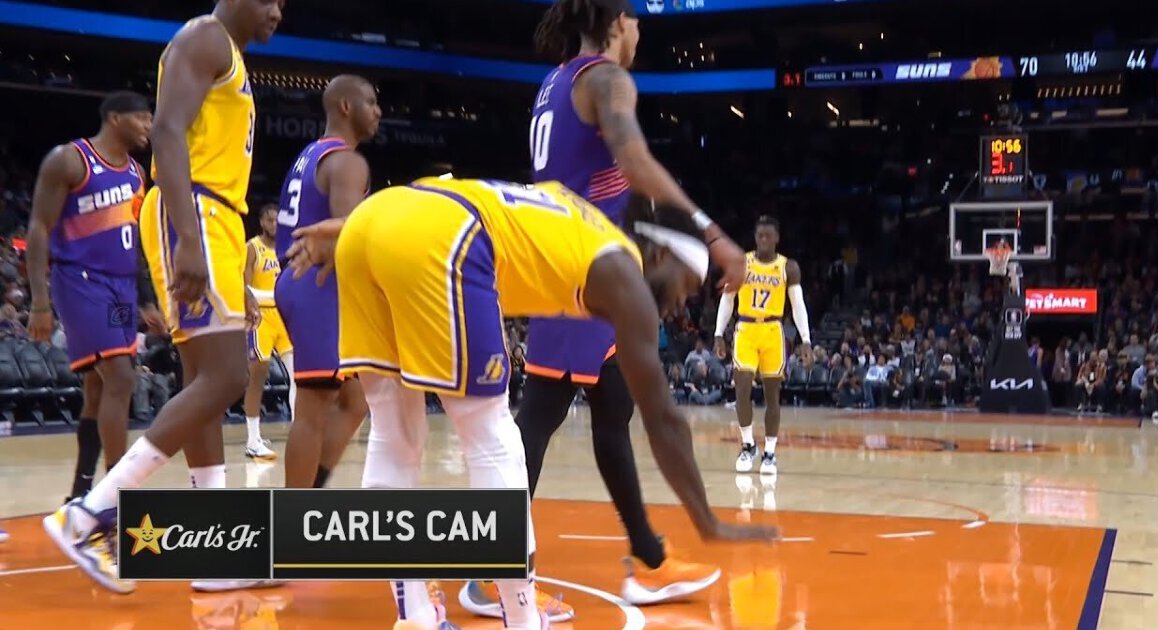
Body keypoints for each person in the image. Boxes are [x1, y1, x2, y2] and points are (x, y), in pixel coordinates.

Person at [284, 177, 780, 630]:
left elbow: (468, 197)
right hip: (445, 239)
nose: (680, 304)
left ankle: (414, 616)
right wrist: (707, 520)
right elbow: (663, 419)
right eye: (685, 286)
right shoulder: (623, 270)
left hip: (373, 223)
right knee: (492, 437)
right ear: (659, 253)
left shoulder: (573, 216)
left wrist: (360, 227)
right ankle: (521, 618)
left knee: (394, 433)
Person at [458, 0, 749, 619]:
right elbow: (635, 163)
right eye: (637, 19)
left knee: (612, 407)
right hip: (572, 262)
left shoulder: (556, 81)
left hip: (574, 257)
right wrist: (711, 232)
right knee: (538, 417)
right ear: (618, 22)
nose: (640, 30)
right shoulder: (605, 77)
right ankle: (488, 571)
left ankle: (649, 558)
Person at [43, 0, 285, 595]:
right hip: (195, 210)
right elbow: (169, 133)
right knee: (227, 376)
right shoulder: (206, 37)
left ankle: (214, 552)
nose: (278, 11)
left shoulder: (225, 52)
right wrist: (191, 240)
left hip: (210, 217)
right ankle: (91, 513)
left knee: (205, 382)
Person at [24, 91, 165, 505]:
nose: (149, 127)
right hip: (80, 281)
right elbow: (38, 228)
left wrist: (146, 300)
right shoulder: (69, 160)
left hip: (121, 287)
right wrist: (39, 301)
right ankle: (115, 497)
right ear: (116, 117)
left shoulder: (136, 173)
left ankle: (81, 491)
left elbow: (134, 240)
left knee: (99, 388)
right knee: (121, 378)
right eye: (143, 118)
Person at [275, 74, 378, 489]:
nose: (379, 111)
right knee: (314, 406)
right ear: (347, 107)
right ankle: (291, 515)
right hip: (318, 281)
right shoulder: (348, 161)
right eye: (371, 102)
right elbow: (350, 229)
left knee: (356, 399)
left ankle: (311, 491)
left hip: (299, 280)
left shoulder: (311, 153)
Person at [715, 215, 811, 476]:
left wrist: (806, 340)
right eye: (760, 236)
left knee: (772, 396)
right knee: (742, 389)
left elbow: (798, 306)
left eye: (769, 236)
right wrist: (718, 333)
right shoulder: (741, 263)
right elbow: (727, 299)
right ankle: (748, 445)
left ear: (777, 238)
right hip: (746, 329)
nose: (764, 240)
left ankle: (769, 452)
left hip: (772, 331)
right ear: (755, 238)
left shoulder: (788, 267)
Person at [242, 202, 292, 460]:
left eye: (278, 220)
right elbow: (245, 284)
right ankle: (253, 440)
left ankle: (299, 432)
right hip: (260, 315)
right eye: (270, 220)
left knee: (298, 376)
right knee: (257, 377)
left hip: (284, 314)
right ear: (262, 222)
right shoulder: (253, 247)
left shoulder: (286, 248)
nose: (275, 224)